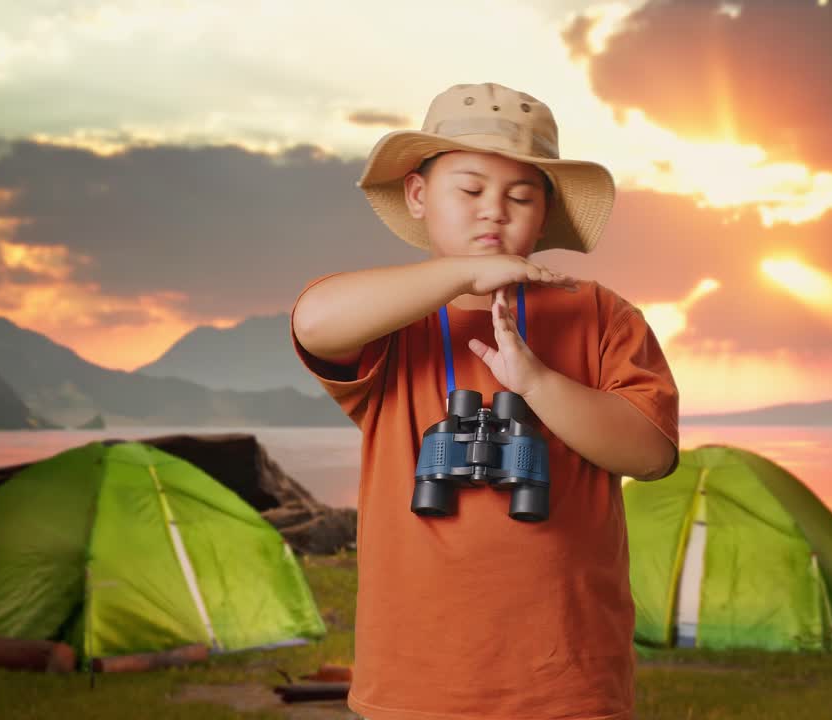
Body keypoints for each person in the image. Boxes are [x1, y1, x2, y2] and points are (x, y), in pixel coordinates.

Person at [291, 82, 680, 720]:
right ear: (418, 195)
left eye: (520, 196)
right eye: (470, 190)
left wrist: (538, 385)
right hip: (417, 677)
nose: (493, 212)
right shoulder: (391, 315)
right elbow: (314, 321)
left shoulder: (599, 312)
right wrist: (463, 276)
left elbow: (650, 453)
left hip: (567, 676)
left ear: (545, 210)